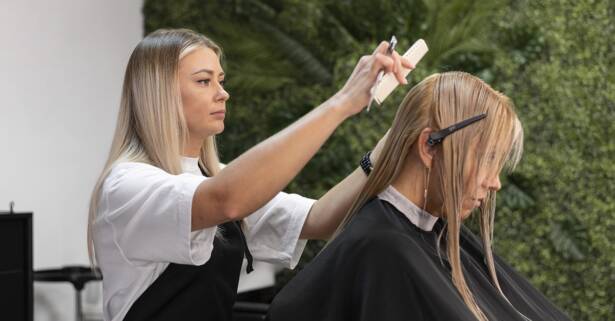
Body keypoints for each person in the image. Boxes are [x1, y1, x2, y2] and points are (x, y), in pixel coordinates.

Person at [87, 28, 412, 321]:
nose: (222, 93)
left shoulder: (213, 179)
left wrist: (393, 143)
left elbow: (320, 219)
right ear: (158, 93)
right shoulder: (127, 186)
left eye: (221, 80)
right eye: (204, 81)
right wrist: (342, 102)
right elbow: (227, 200)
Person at [267, 72, 572, 321]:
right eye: (488, 159)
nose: (495, 182)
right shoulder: (383, 249)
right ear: (429, 147)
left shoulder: (428, 235)